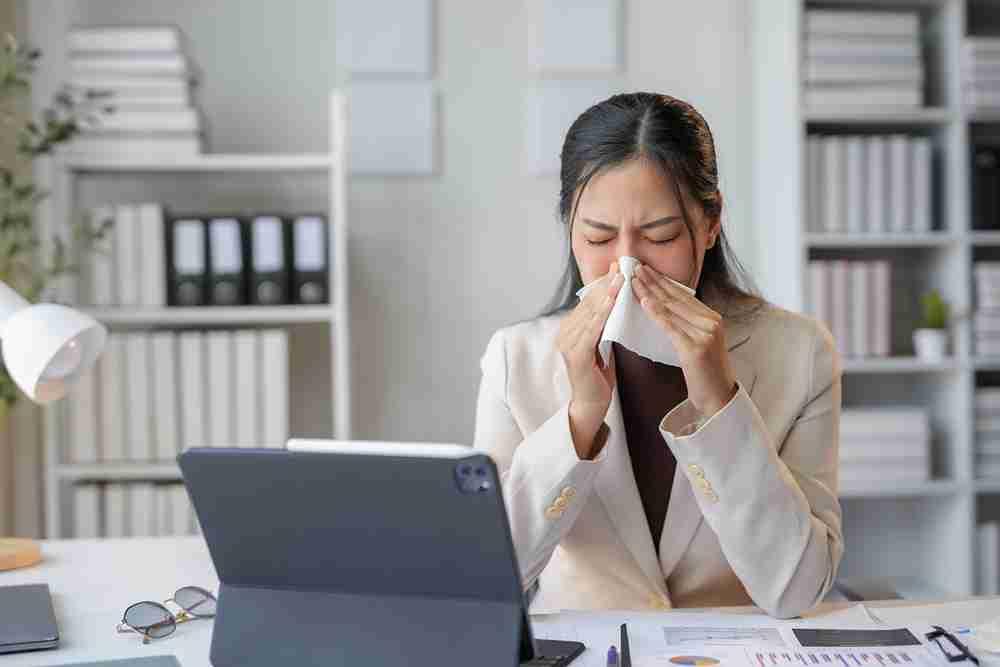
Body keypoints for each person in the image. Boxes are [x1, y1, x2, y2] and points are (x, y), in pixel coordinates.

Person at [473, 92, 843, 619]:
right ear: (570, 232)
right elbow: (492, 576)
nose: (627, 266)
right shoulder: (517, 358)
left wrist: (719, 403)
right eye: (598, 237)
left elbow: (797, 590)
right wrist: (579, 418)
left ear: (710, 223)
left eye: (661, 235)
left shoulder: (799, 352)